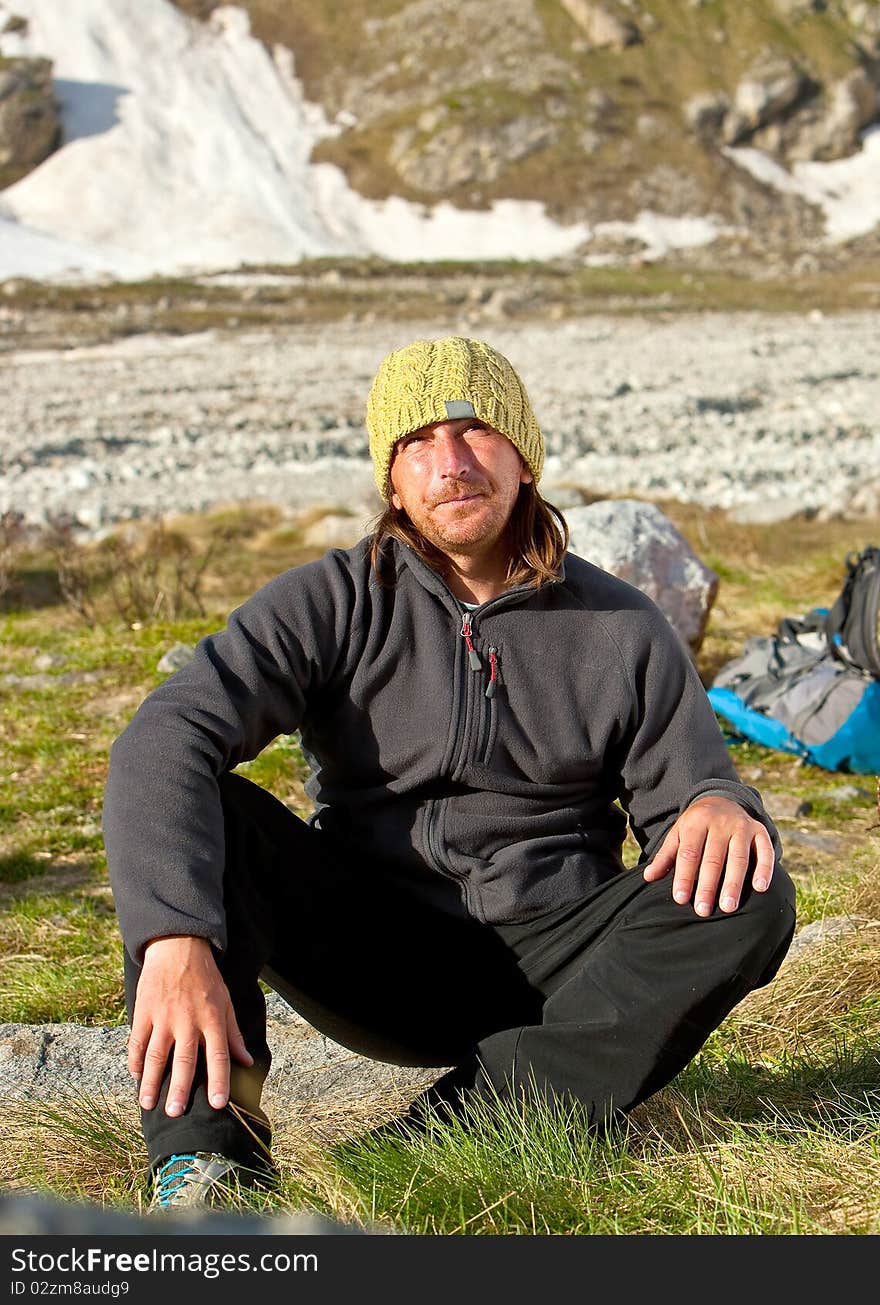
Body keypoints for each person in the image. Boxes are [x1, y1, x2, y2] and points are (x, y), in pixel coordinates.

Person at [102, 335, 796, 1210]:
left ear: (523, 456)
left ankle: (469, 1123)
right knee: (217, 815)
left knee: (750, 885)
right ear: (392, 479)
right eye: (419, 442)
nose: (452, 462)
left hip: (562, 961)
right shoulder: (335, 600)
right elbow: (165, 737)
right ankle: (209, 1162)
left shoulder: (623, 627)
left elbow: (691, 794)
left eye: (476, 431)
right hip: (376, 950)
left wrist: (718, 800)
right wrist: (172, 936)